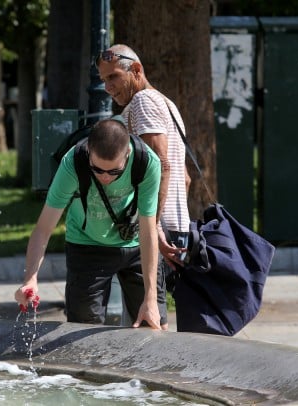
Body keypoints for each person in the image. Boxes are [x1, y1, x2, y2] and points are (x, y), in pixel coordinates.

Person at [14, 118, 165, 329]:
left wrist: (150, 298)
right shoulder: (73, 163)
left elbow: (149, 231)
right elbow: (43, 229)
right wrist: (30, 279)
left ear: (127, 155)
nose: (105, 177)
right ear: (89, 153)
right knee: (82, 330)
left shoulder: (147, 162)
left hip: (136, 244)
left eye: (115, 172)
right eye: (97, 169)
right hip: (86, 244)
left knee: (154, 323)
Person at [95, 45, 191, 327]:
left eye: (113, 77)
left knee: (143, 327)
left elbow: (160, 165)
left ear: (136, 70)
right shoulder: (167, 103)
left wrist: (155, 226)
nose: (108, 87)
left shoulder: (143, 102)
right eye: (103, 80)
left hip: (154, 230)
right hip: (171, 227)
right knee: (146, 320)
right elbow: (184, 177)